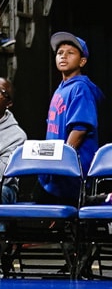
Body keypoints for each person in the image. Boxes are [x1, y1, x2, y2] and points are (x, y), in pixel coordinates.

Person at [39, 32, 103, 204]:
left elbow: (80, 129)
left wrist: (63, 161)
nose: (63, 56)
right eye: (60, 53)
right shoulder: (61, 88)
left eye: (70, 53)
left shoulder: (81, 88)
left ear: (82, 61)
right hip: (56, 169)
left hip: (70, 170)